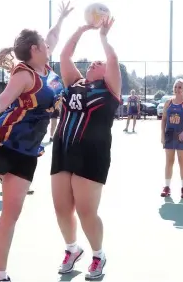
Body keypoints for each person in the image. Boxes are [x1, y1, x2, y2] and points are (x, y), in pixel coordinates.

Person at [0, 2, 72, 281]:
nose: (48, 45)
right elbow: (0, 101)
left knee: (10, 214)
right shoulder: (25, 74)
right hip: (5, 144)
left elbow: (53, 37)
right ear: (34, 49)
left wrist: (61, 19)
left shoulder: (45, 65)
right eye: (43, 44)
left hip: (28, 152)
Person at [50, 18, 121, 280]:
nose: (95, 62)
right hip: (63, 150)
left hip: (93, 154)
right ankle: (72, 249)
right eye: (93, 61)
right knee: (61, 207)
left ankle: (98, 254)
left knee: (86, 210)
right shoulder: (74, 83)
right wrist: (82, 29)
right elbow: (64, 55)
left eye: (99, 63)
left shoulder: (110, 90)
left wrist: (103, 36)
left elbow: (112, 60)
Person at [161, 78, 183, 198]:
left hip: (181, 135)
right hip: (169, 133)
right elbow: (163, 119)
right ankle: (167, 187)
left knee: (182, 161)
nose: (177, 89)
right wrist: (162, 134)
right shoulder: (168, 102)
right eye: (176, 87)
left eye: (180, 87)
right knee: (169, 161)